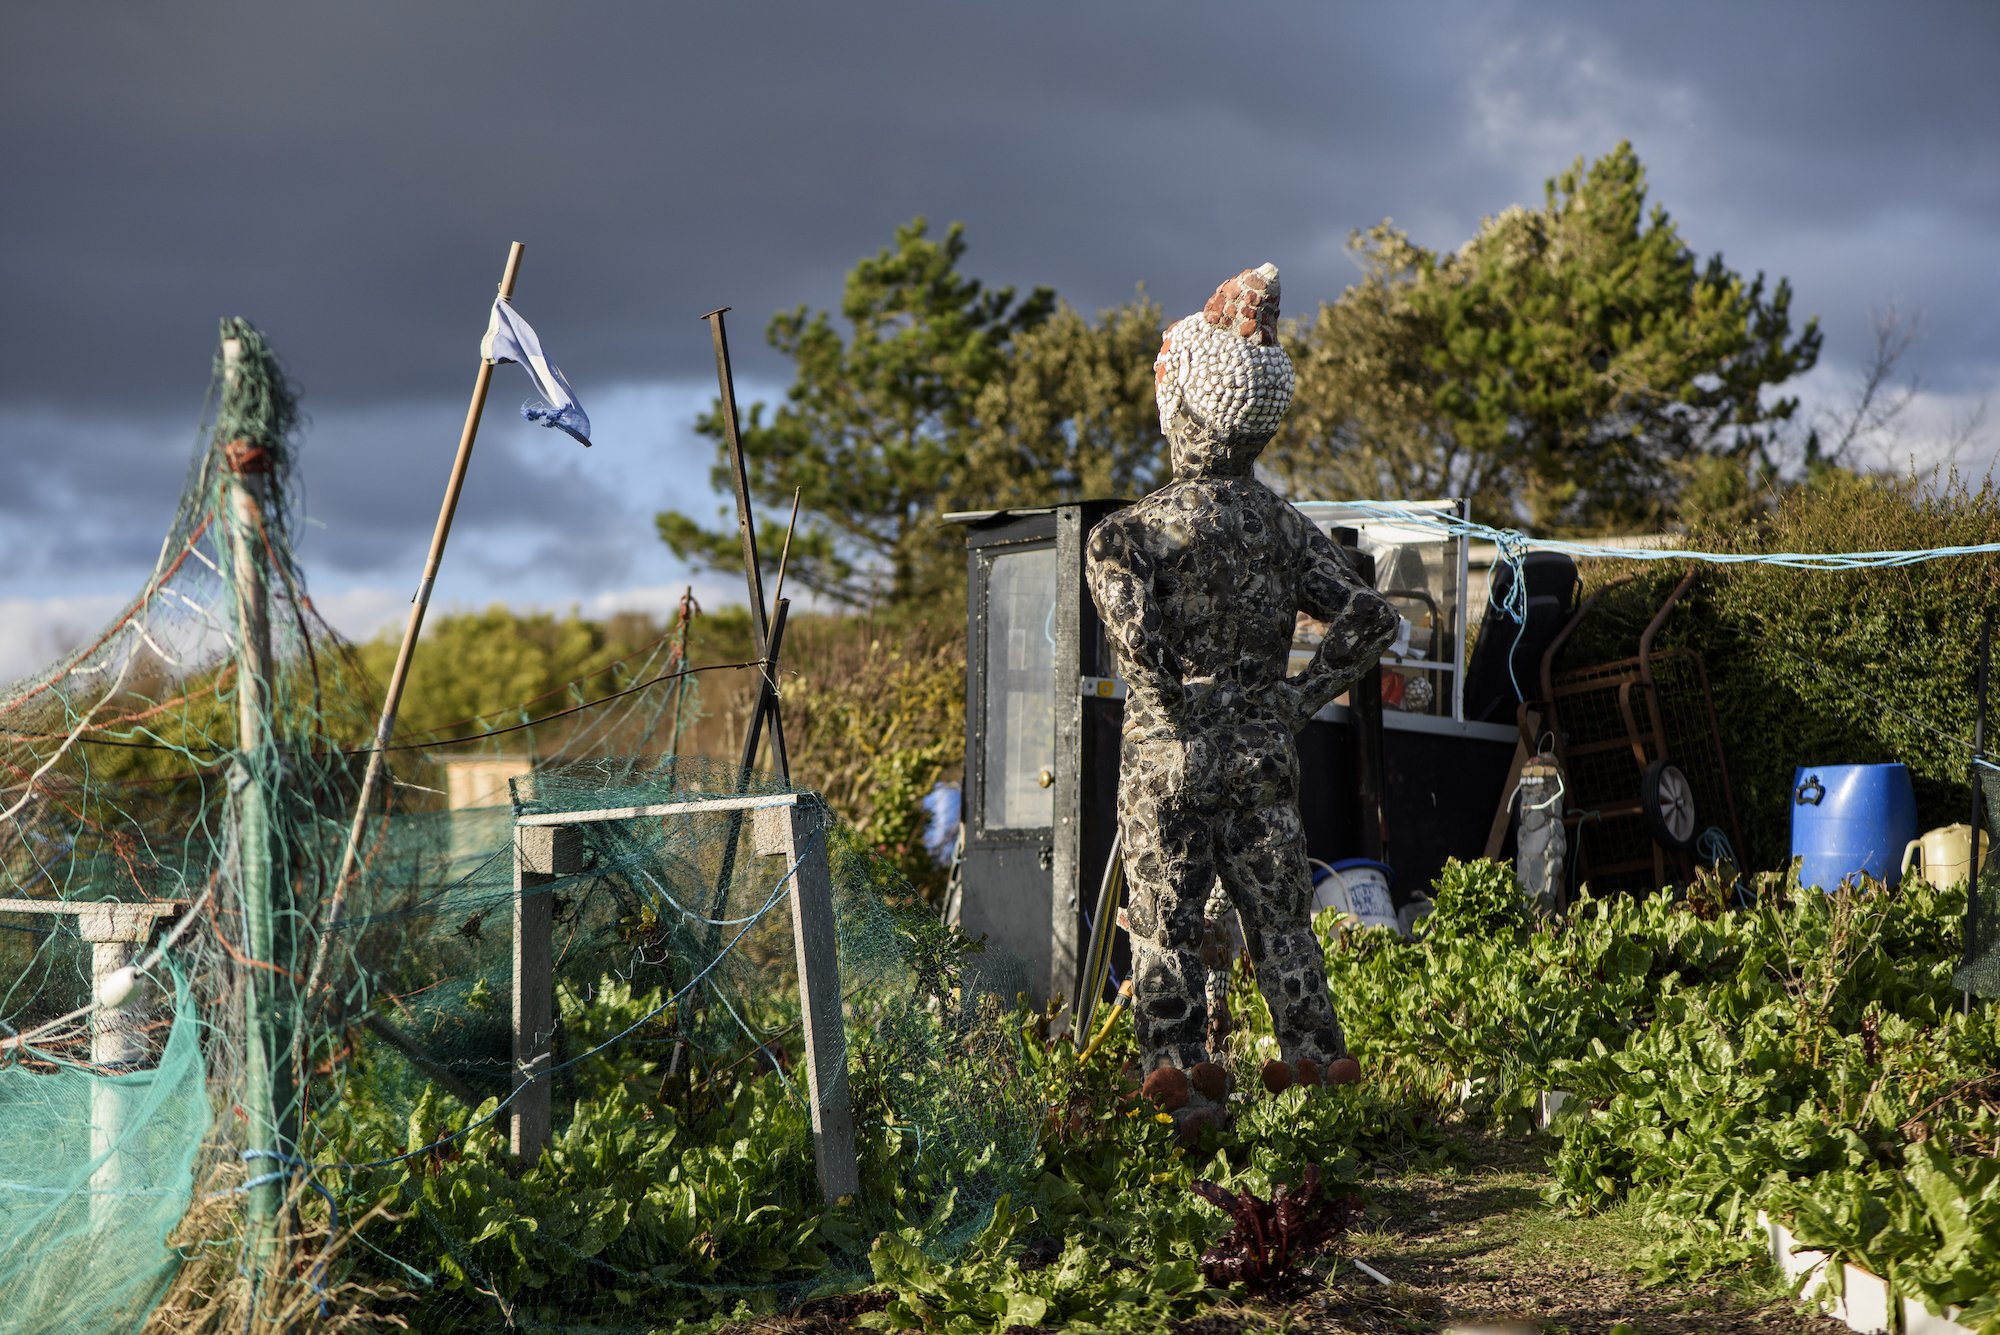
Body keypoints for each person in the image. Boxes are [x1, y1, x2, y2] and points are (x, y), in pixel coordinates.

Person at [1085, 263, 1399, 1135]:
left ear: (1180, 404)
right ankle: (1316, 1075)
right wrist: (1292, 703)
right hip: (1263, 750)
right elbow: (1371, 618)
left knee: (1166, 929)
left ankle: (1183, 1087)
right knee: (1283, 929)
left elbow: (1135, 630)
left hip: (1168, 757)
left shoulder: (1129, 533)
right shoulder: (1282, 527)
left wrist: (1172, 704)